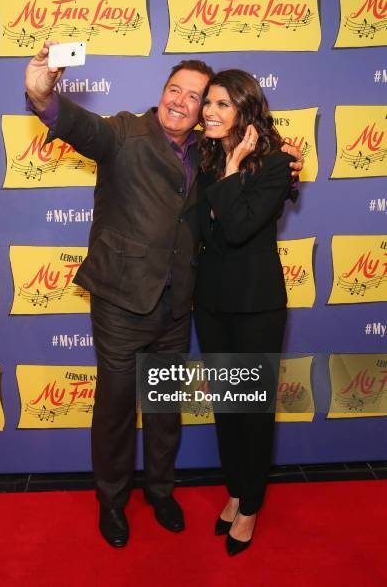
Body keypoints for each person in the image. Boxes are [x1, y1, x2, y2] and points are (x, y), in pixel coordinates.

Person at [25, 42, 302, 548]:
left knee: (163, 408)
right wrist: (43, 93)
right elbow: (76, 124)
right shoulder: (123, 132)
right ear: (162, 93)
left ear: (205, 111)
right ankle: (112, 501)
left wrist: (282, 156)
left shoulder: (209, 148)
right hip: (121, 300)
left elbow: (247, 194)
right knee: (113, 408)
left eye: (196, 97)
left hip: (179, 304)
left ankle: (160, 490)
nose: (182, 101)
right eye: (175, 89)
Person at [193, 69, 297, 556]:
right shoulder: (203, 155)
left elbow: (236, 229)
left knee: (253, 411)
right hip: (210, 304)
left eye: (221, 105)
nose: (209, 111)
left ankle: (251, 504)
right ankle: (235, 490)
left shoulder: (275, 164)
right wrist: (223, 163)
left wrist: (234, 166)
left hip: (256, 306)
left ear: (246, 111)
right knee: (227, 408)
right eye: (207, 103)